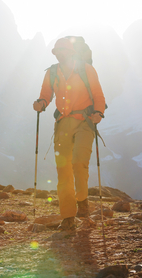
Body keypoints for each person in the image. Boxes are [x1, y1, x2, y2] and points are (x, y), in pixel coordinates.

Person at [33, 37, 106, 230]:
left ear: (70, 52)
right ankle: (68, 218)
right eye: (56, 51)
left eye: (61, 51)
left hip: (85, 122)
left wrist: (99, 113)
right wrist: (41, 103)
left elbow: (98, 94)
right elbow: (46, 94)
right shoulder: (52, 72)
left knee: (78, 162)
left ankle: (82, 202)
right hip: (62, 123)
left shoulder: (86, 69)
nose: (58, 54)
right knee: (63, 171)